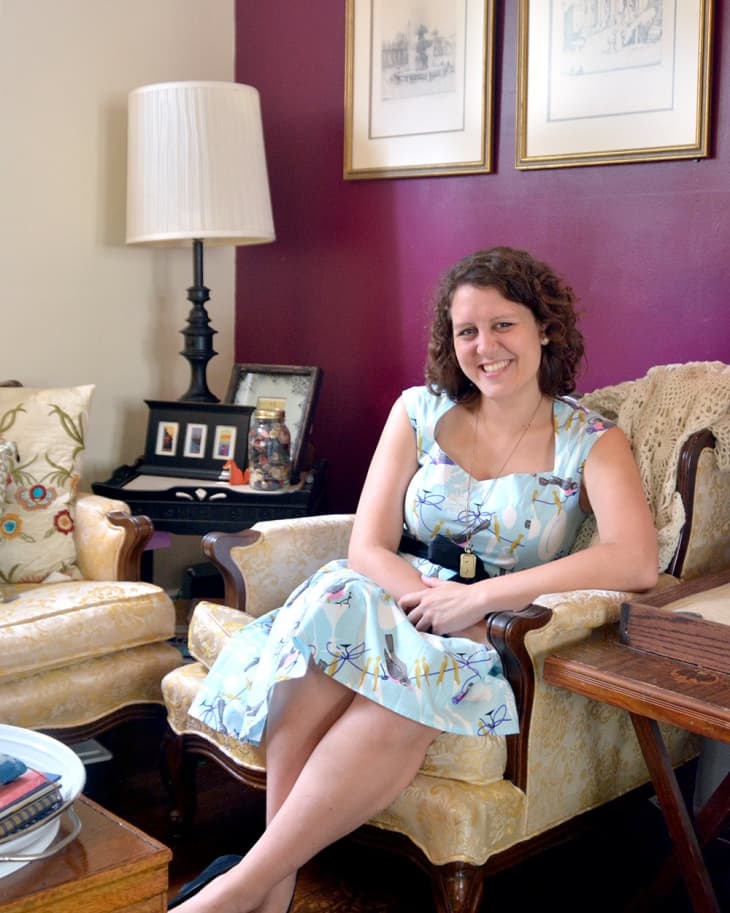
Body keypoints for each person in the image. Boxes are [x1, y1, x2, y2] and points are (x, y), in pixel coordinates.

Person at [172, 246, 658, 913]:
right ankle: (269, 884)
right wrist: (421, 600)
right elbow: (367, 544)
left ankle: (246, 886)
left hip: (489, 616)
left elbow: (634, 559)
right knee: (333, 604)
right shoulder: (416, 412)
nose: (485, 346)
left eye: (503, 324)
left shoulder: (593, 439)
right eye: (467, 331)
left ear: (545, 327)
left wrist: (482, 597)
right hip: (392, 588)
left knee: (407, 690)